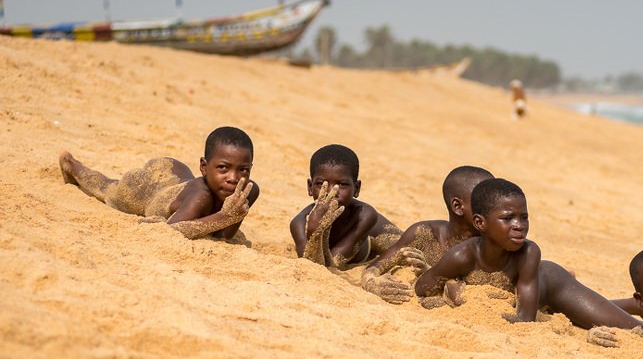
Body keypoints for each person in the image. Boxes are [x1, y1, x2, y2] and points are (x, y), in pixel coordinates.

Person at [414, 178, 640, 329]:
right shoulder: (462, 256)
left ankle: (636, 308)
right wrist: (446, 294)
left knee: (633, 330)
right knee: (585, 312)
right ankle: (632, 305)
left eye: (524, 217)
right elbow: (422, 288)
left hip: (552, 285)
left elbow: (525, 318)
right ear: (480, 223)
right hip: (540, 301)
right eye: (507, 218)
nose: (518, 225)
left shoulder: (529, 252)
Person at [58, 126, 259, 240]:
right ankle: (72, 165)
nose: (233, 178)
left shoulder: (248, 191)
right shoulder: (201, 195)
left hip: (176, 175)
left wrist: (228, 218)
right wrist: (224, 216)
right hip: (149, 187)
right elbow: (170, 231)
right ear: (204, 167)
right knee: (108, 189)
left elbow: (222, 237)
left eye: (243, 170)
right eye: (223, 168)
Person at [360, 165, 494, 304]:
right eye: (484, 201)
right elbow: (374, 268)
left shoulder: (497, 243)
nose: (495, 206)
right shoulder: (425, 234)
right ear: (458, 207)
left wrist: (432, 277)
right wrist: (373, 284)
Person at [290, 144, 401, 269]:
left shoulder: (364, 215)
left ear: (356, 189)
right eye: (321, 184)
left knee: (409, 246)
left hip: (373, 234)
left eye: (342, 184)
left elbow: (334, 264)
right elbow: (311, 265)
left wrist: (321, 231)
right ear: (310, 187)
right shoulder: (299, 223)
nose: (331, 193)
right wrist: (313, 232)